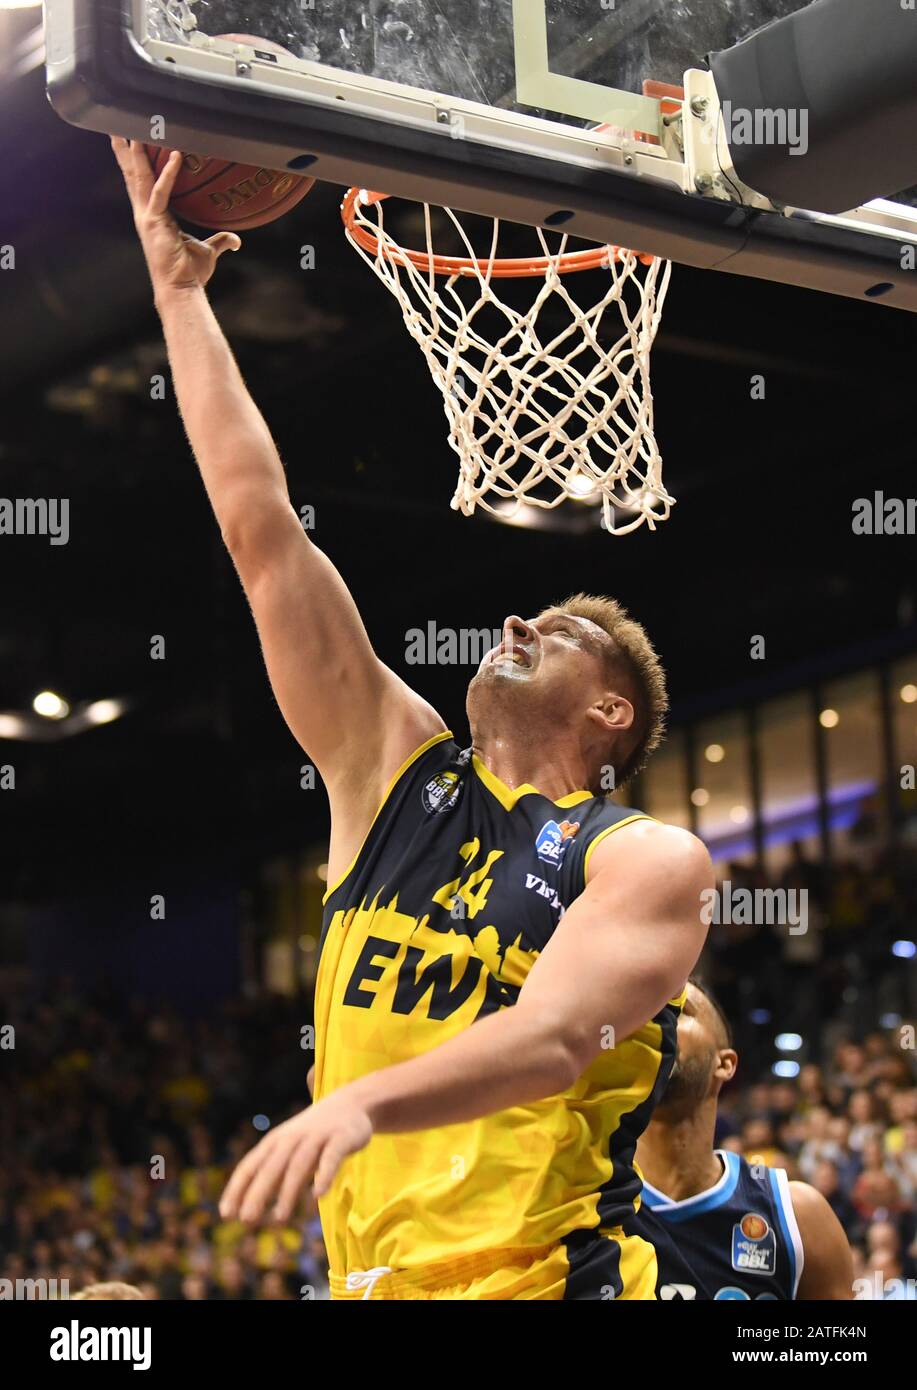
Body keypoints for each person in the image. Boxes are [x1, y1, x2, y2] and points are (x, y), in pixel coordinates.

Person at [112, 140, 712, 1301]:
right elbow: (259, 526)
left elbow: (548, 1044)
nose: (512, 618)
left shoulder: (643, 860)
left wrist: (359, 1101)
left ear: (608, 709)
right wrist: (178, 296)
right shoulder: (388, 771)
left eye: (556, 627)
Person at [628, 979, 853, 1299]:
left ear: (725, 1064)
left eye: (678, 1011)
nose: (657, 1023)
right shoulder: (583, 1202)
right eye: (646, 1015)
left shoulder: (797, 1216)